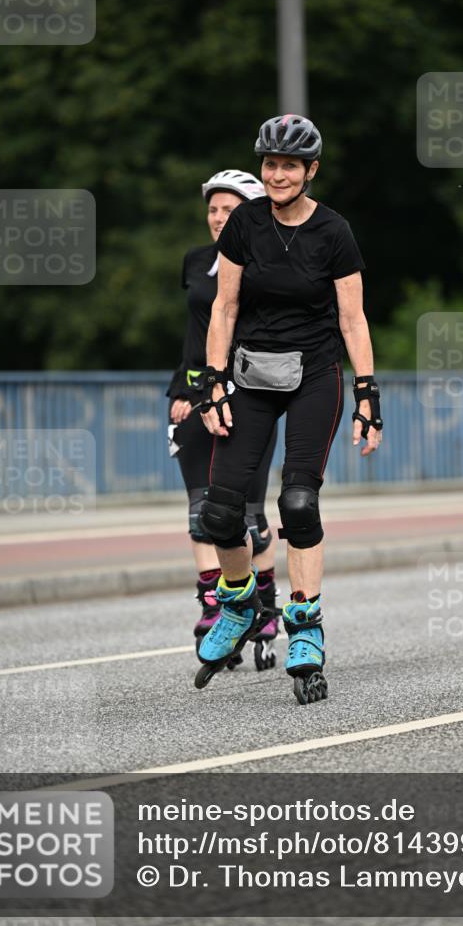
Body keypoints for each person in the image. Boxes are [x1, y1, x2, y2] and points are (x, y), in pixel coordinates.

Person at [195, 115, 383, 704]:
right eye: (269, 164)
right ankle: (240, 602)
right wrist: (213, 382)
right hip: (250, 375)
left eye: (289, 166)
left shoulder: (334, 231)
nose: (277, 174)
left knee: (298, 502)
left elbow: (352, 318)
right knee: (220, 514)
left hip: (314, 376)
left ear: (310, 171)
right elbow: (223, 307)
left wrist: (367, 394)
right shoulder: (245, 224)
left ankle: (305, 627)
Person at [167, 169, 280, 671]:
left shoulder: (269, 262)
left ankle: (268, 611)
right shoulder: (194, 260)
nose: (217, 217)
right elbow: (196, 332)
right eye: (212, 209)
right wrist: (182, 388)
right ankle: (217, 609)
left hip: (250, 394)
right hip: (196, 395)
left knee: (249, 516)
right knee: (201, 514)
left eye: (228, 209)